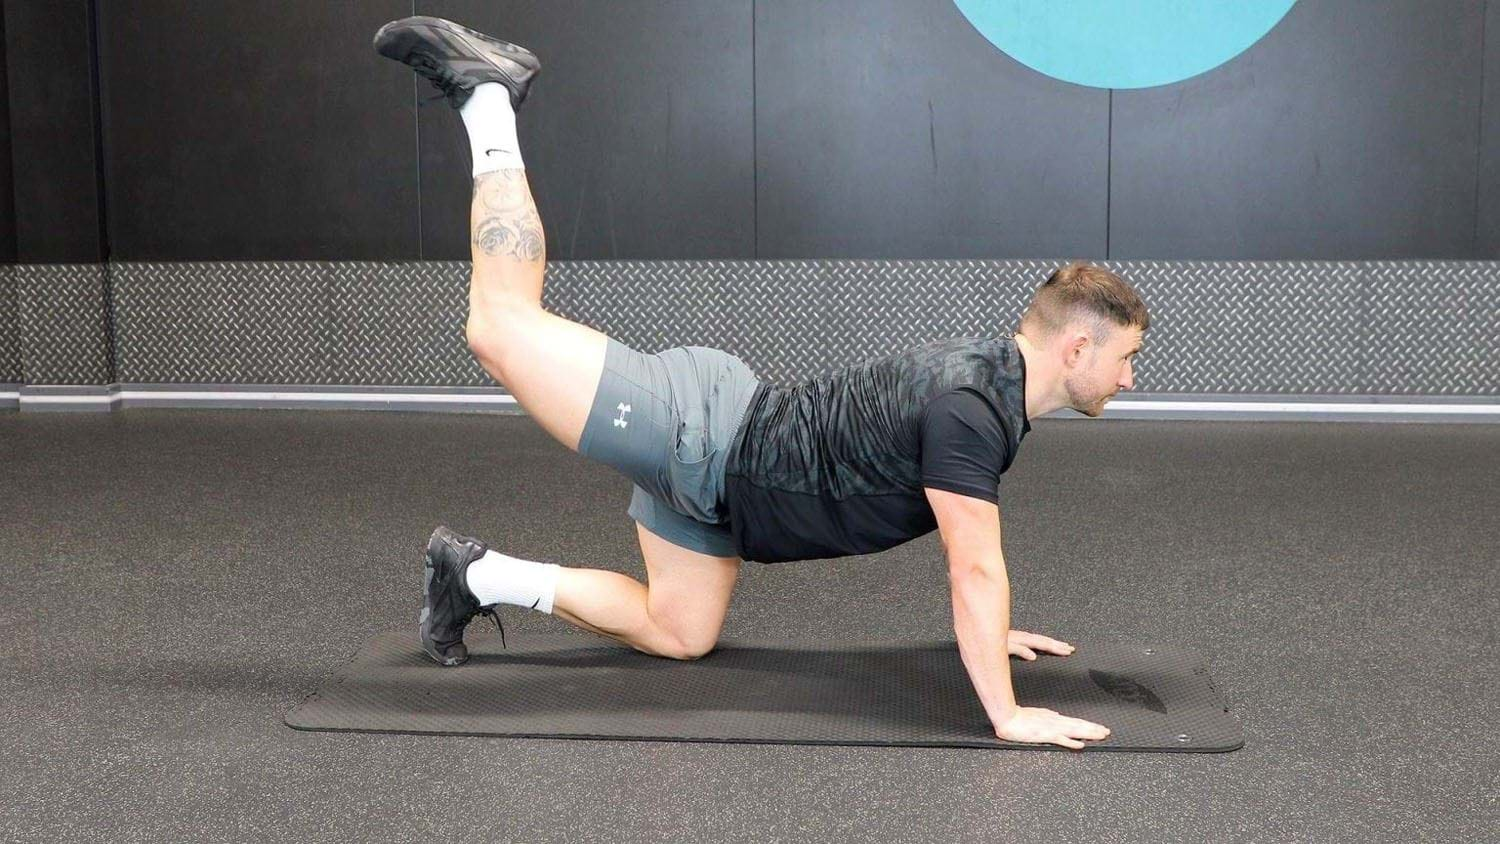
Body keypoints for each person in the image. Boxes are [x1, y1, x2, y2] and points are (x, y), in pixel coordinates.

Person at [374, 16, 1148, 750]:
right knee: (498, 328)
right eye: (1125, 360)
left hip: (727, 498)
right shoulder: (976, 408)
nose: (1131, 378)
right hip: (703, 435)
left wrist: (991, 631)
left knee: (681, 635)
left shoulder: (990, 387)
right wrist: (1006, 715)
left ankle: (475, 573)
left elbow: (959, 552)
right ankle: (488, 100)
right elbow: (973, 566)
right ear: (1078, 347)